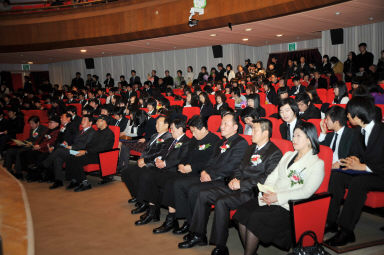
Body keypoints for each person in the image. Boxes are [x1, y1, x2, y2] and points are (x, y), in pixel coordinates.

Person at [181, 119, 283, 254]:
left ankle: (220, 246)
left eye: (255, 130)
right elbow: (239, 168)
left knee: (221, 202)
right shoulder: (251, 147)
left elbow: (267, 179)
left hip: (252, 191)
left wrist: (241, 184)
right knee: (203, 194)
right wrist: (235, 179)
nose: (251, 133)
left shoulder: (274, 153)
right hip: (238, 184)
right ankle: (198, 235)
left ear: (265, 133)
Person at [233, 122, 324, 255]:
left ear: (309, 139)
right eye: (293, 136)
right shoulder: (288, 155)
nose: (293, 139)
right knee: (242, 212)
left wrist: (277, 197)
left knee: (255, 219)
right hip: (271, 197)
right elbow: (272, 176)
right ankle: (251, 252)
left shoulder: (316, 164)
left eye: (298, 136)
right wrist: (266, 192)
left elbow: (306, 192)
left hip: (288, 206)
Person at [174, 112, 248, 247]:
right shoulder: (221, 141)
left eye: (226, 123)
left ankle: (198, 234)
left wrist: (210, 175)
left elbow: (230, 167)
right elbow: (210, 161)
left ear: (235, 127)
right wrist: (204, 171)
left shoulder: (240, 143)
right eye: (222, 123)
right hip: (212, 176)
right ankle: (195, 230)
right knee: (191, 189)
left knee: (196, 191)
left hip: (224, 180)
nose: (222, 126)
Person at [325, 97, 384, 246]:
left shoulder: (381, 132)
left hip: (380, 175)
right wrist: (347, 162)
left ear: (357, 116)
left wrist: (363, 167)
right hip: (368, 172)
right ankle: (330, 221)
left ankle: (346, 230)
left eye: (349, 114)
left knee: (359, 182)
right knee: (337, 175)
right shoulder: (359, 131)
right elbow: (356, 155)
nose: (347, 117)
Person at [131, 119, 191, 225]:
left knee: (153, 177)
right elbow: (162, 152)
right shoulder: (172, 140)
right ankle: (152, 210)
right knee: (147, 175)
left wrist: (165, 163)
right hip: (164, 167)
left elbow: (181, 158)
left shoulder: (186, 141)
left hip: (174, 170)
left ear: (181, 129)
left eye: (172, 129)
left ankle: (157, 213)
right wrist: (158, 159)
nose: (170, 131)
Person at [121, 116, 173, 211]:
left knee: (141, 174)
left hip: (153, 164)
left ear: (166, 125)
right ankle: (136, 196)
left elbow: (160, 153)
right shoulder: (154, 135)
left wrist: (145, 161)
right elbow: (146, 150)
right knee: (125, 172)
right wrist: (141, 159)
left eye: (159, 124)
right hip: (144, 161)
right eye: (156, 123)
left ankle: (143, 202)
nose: (156, 125)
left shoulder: (168, 137)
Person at [43, 115, 96, 189]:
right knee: (58, 158)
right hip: (73, 150)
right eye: (82, 120)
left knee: (59, 150)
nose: (82, 122)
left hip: (80, 152)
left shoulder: (92, 132)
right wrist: (68, 145)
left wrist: (71, 147)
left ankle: (45, 164)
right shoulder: (80, 131)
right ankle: (58, 181)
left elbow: (85, 145)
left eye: (84, 120)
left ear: (90, 123)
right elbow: (75, 142)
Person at [65, 115, 115, 192]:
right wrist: (82, 151)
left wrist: (85, 152)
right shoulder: (97, 132)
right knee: (72, 155)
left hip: (101, 156)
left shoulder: (109, 133)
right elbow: (89, 144)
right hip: (92, 153)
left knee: (77, 159)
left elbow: (102, 148)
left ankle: (85, 183)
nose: (96, 123)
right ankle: (76, 180)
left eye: (98, 121)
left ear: (104, 122)